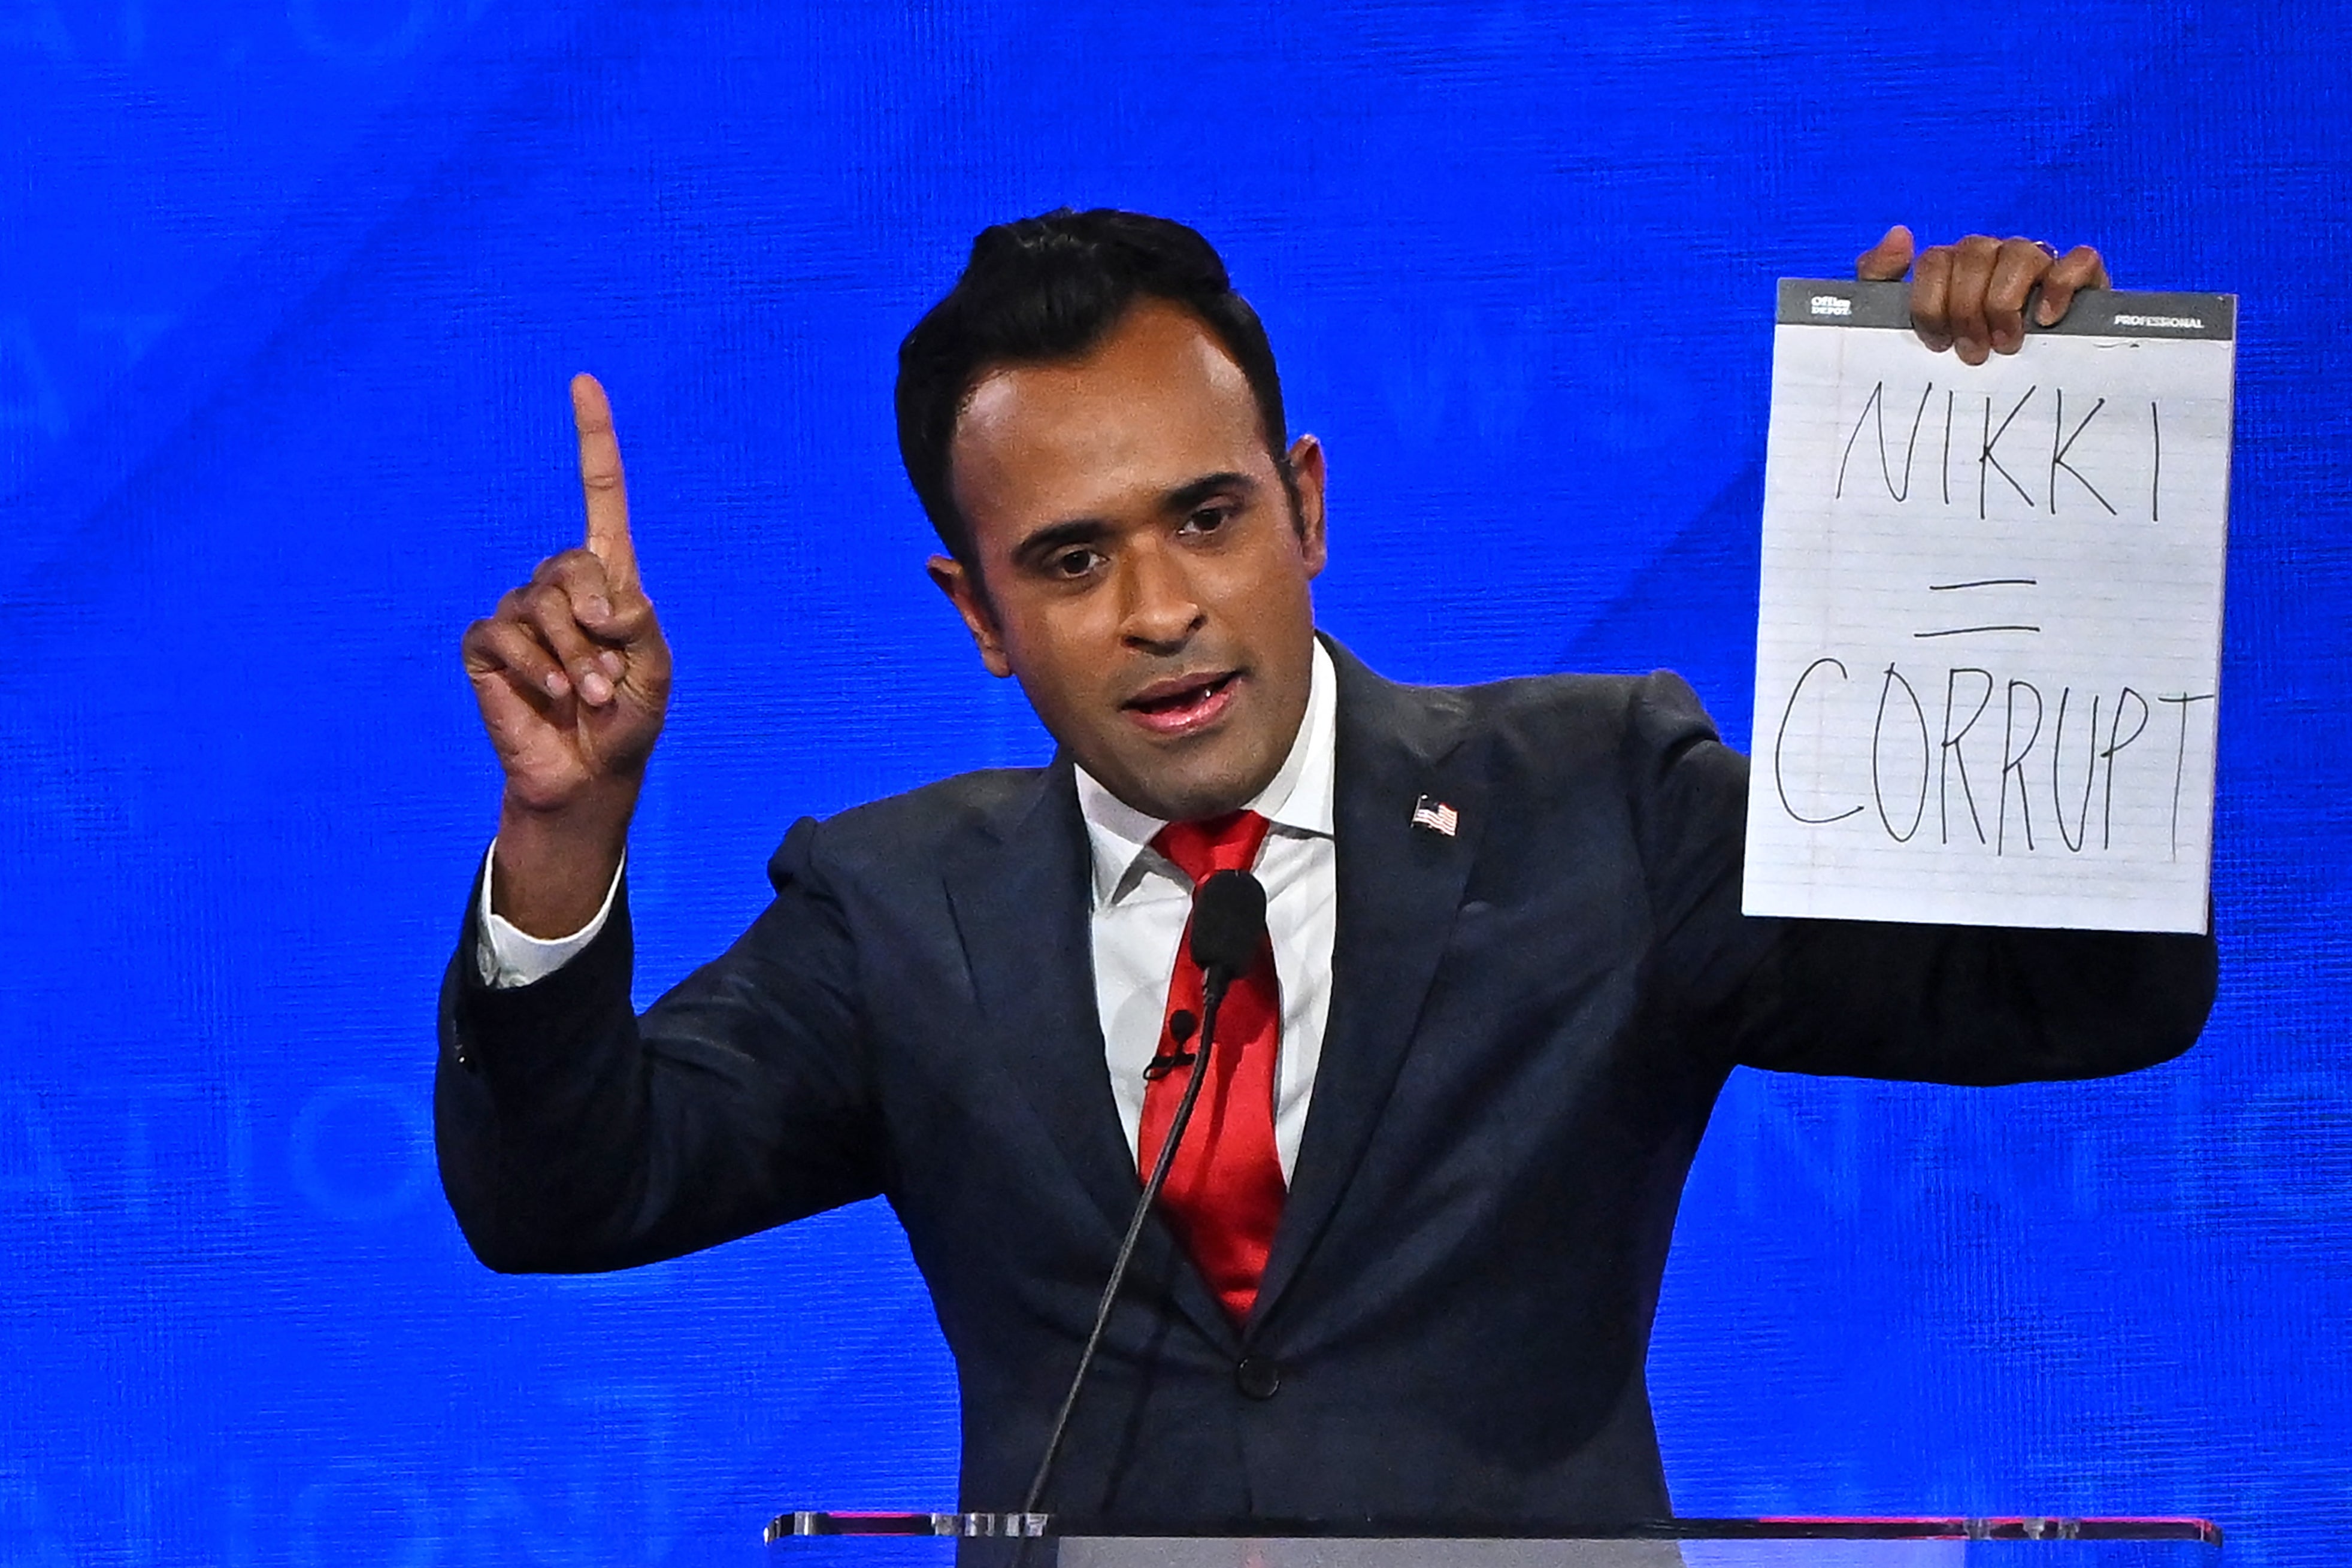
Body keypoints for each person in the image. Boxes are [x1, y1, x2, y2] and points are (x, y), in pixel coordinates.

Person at [436, 210, 2216, 1525]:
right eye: (1068, 559)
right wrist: (563, 833)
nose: (1161, 610)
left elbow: (2083, 991)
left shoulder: (1599, 802)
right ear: (975, 613)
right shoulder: (901, 907)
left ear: (1304, 503)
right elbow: (566, 1194)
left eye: (1207, 517)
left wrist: (2005, 527)